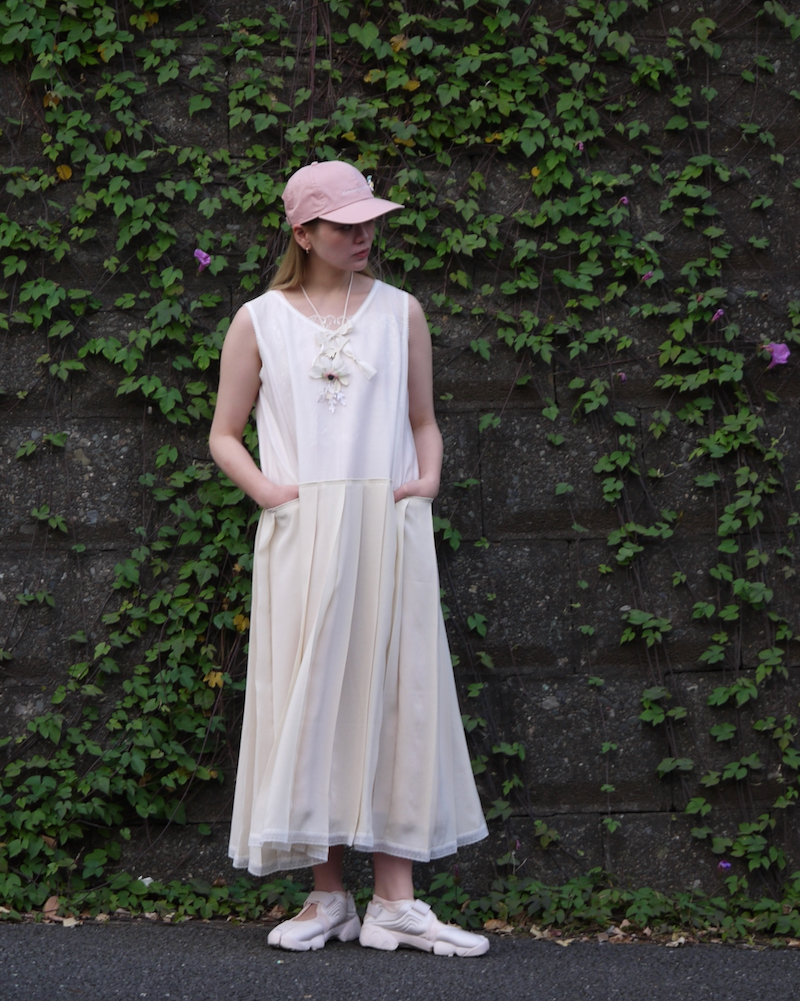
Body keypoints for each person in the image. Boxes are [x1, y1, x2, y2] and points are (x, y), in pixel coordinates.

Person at [209, 160, 489, 957]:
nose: (364, 235)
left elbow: (422, 419)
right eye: (345, 225)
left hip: (388, 527)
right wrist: (275, 495)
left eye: (370, 221)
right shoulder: (259, 320)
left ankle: (396, 901)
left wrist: (427, 479)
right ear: (303, 233)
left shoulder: (402, 312)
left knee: (400, 693)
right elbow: (224, 434)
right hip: (303, 534)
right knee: (313, 695)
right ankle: (328, 894)